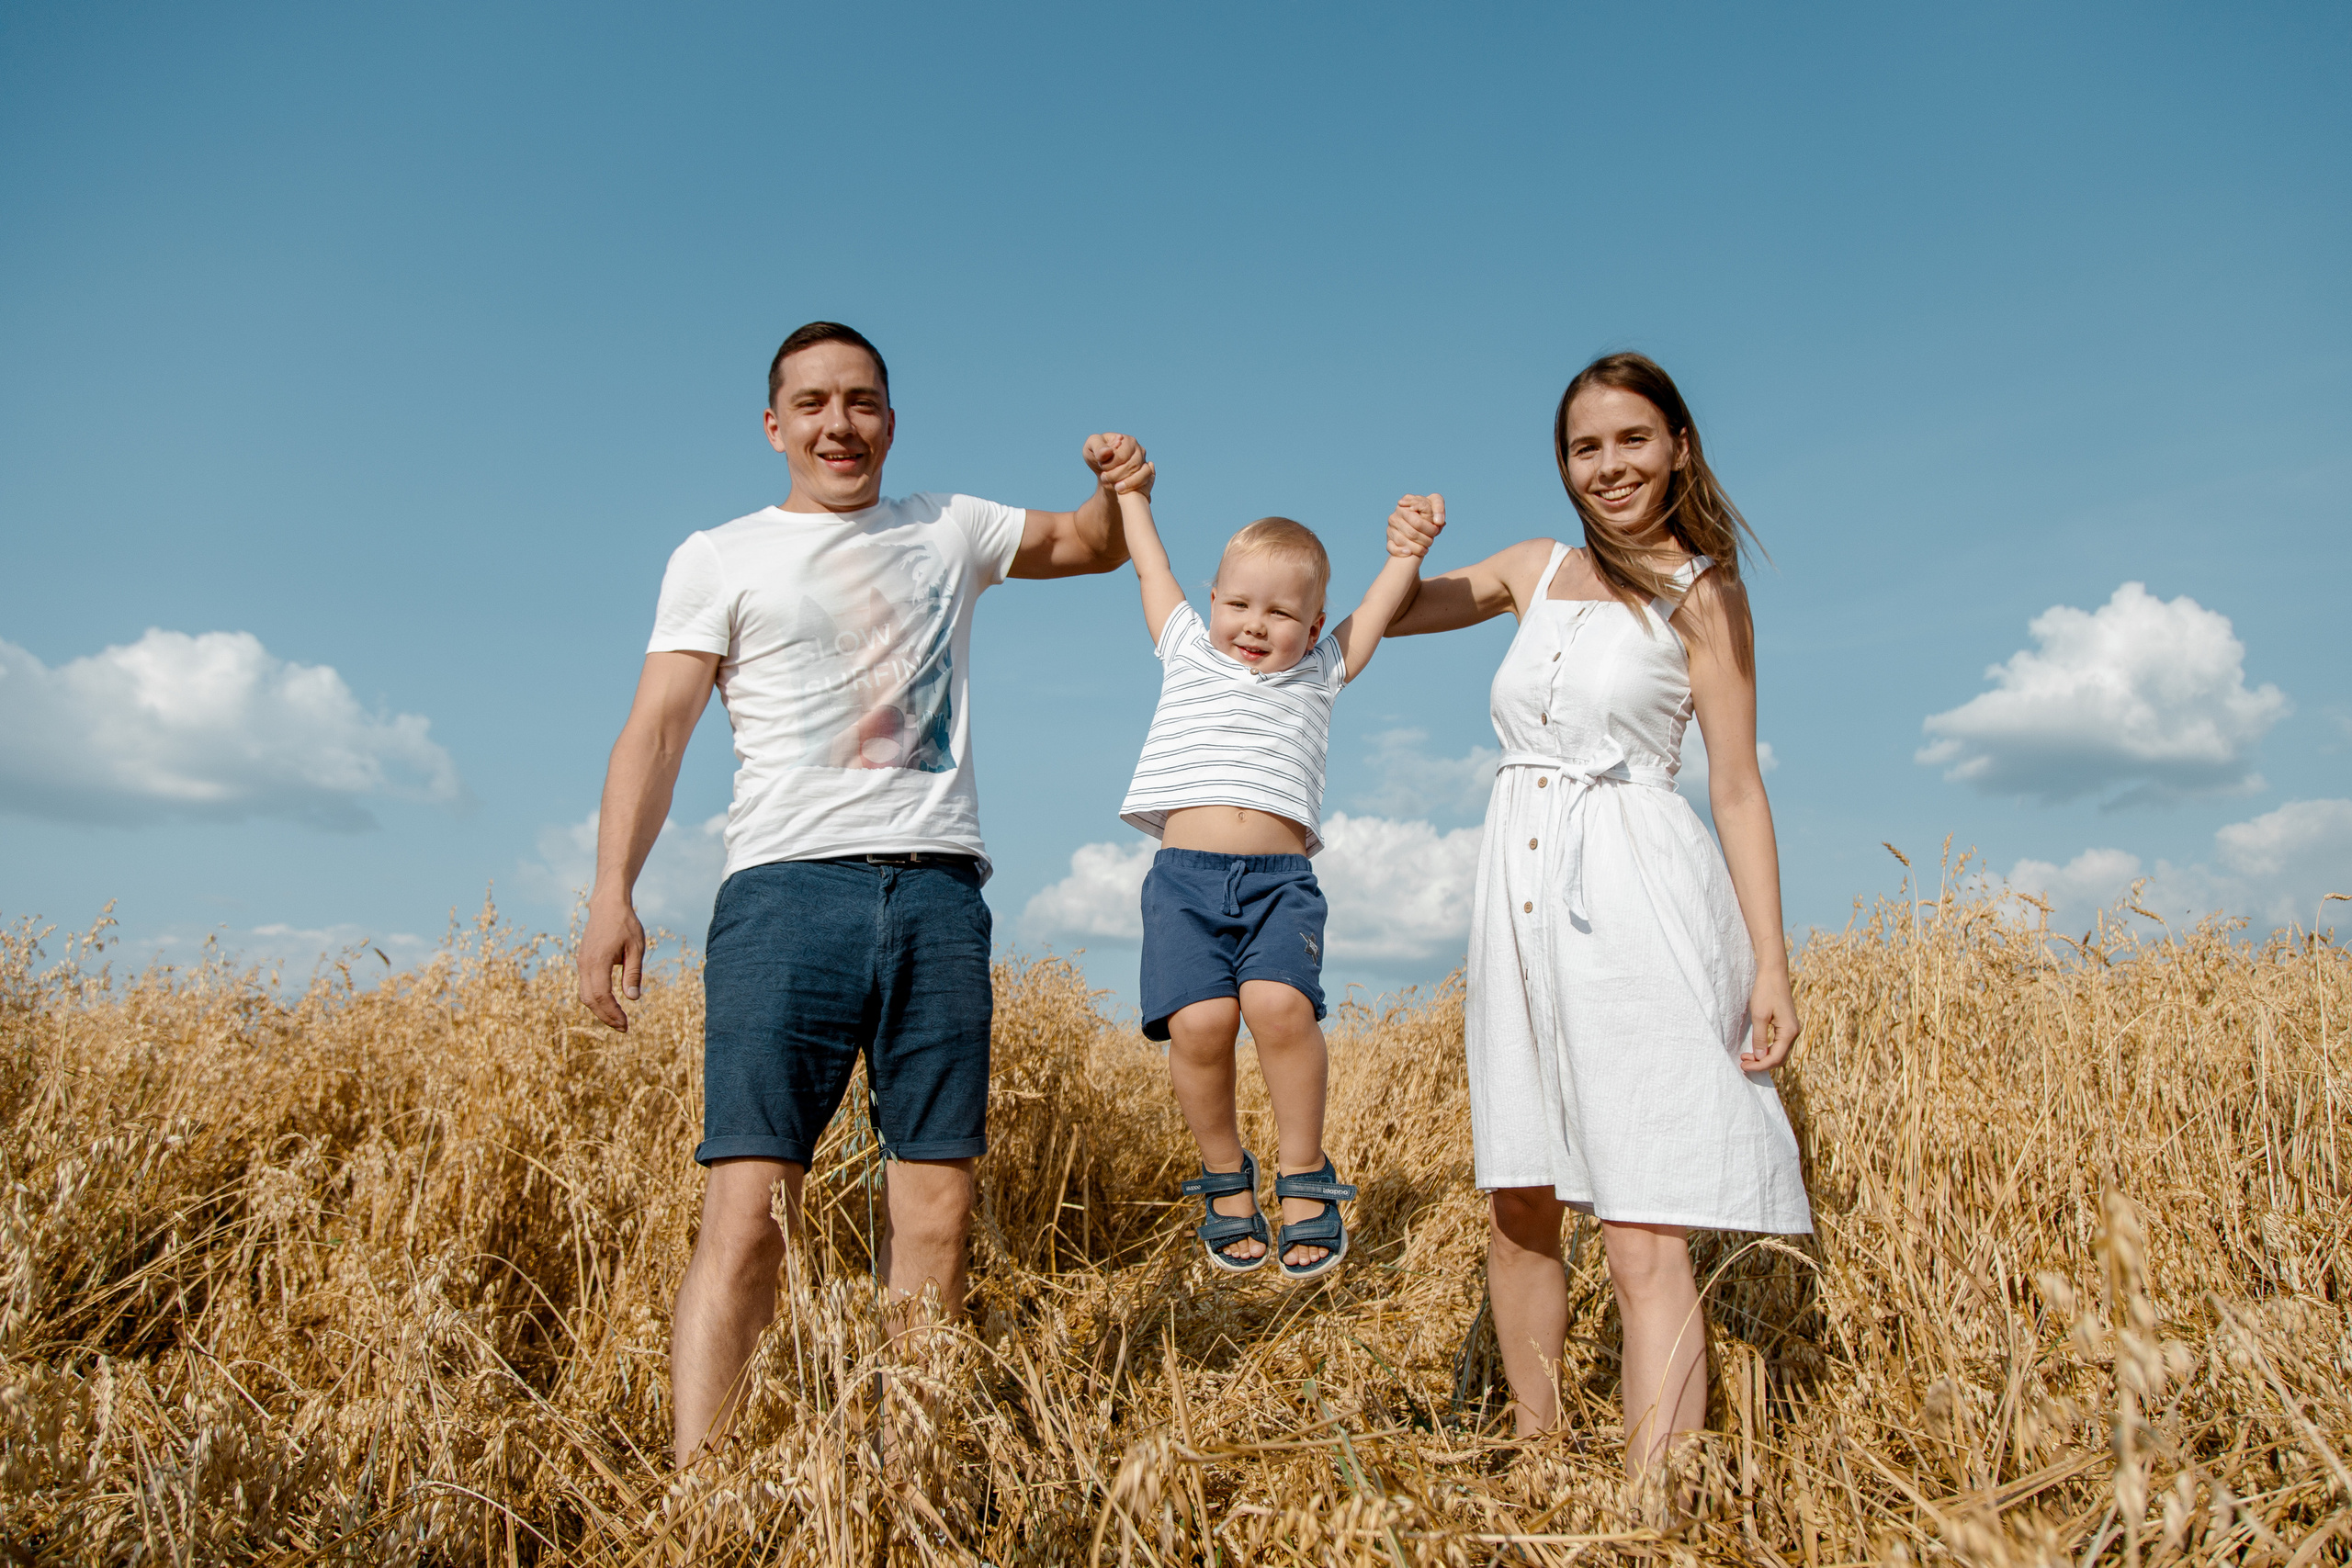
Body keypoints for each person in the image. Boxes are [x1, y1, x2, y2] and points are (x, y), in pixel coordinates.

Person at [575, 321, 1147, 1464]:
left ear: (890, 419)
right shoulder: (720, 555)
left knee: (937, 1211)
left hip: (939, 897)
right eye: (815, 404)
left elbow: (1091, 546)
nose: (840, 424)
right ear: (774, 425)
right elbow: (658, 728)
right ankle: (701, 1485)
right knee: (749, 1210)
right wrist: (610, 894)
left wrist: (1118, 485)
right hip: (785, 899)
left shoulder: (951, 525)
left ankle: (906, 1474)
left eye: (863, 402)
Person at [1382, 352, 1812, 1472]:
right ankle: (1539, 1462)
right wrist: (1403, 553)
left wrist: (1771, 964)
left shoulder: (1706, 594)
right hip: (1515, 898)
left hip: (1635, 897)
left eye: (1631, 439)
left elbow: (1735, 787)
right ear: (1562, 463)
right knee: (1518, 1198)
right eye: (1585, 447)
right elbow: (1386, 620)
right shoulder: (1535, 567)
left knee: (1640, 1219)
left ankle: (1653, 1506)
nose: (1609, 465)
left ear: (1677, 446)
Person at [1110, 458, 1424, 1279]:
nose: (1255, 624)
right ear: (1212, 600)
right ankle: (1224, 1174)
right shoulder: (1188, 650)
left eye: (1281, 612)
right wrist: (1132, 495)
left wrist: (1407, 552)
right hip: (1183, 881)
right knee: (1200, 1023)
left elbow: (1376, 613)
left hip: (1279, 886)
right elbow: (1150, 567)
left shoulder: (1320, 672)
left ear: (1313, 627)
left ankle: (1302, 1170)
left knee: (1280, 1007)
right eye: (1240, 604)